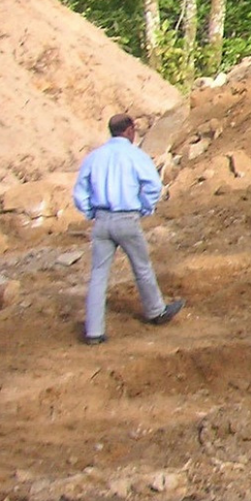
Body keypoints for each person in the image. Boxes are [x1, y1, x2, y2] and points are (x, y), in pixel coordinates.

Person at [72, 113, 184, 344]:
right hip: (126, 218)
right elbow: (153, 185)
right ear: (129, 130)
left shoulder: (94, 157)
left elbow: (80, 192)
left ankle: (94, 331)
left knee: (98, 275)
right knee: (141, 267)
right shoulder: (135, 156)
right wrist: (144, 208)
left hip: (102, 220)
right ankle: (155, 311)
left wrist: (91, 212)